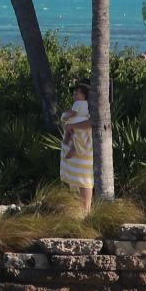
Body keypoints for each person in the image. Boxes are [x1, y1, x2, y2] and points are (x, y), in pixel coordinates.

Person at [59, 81, 94, 213]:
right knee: (79, 179)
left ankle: (85, 210)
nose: (74, 94)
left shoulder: (81, 105)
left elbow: (73, 115)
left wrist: (66, 118)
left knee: (84, 179)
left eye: (77, 93)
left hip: (82, 141)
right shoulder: (86, 105)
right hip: (78, 134)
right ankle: (82, 210)